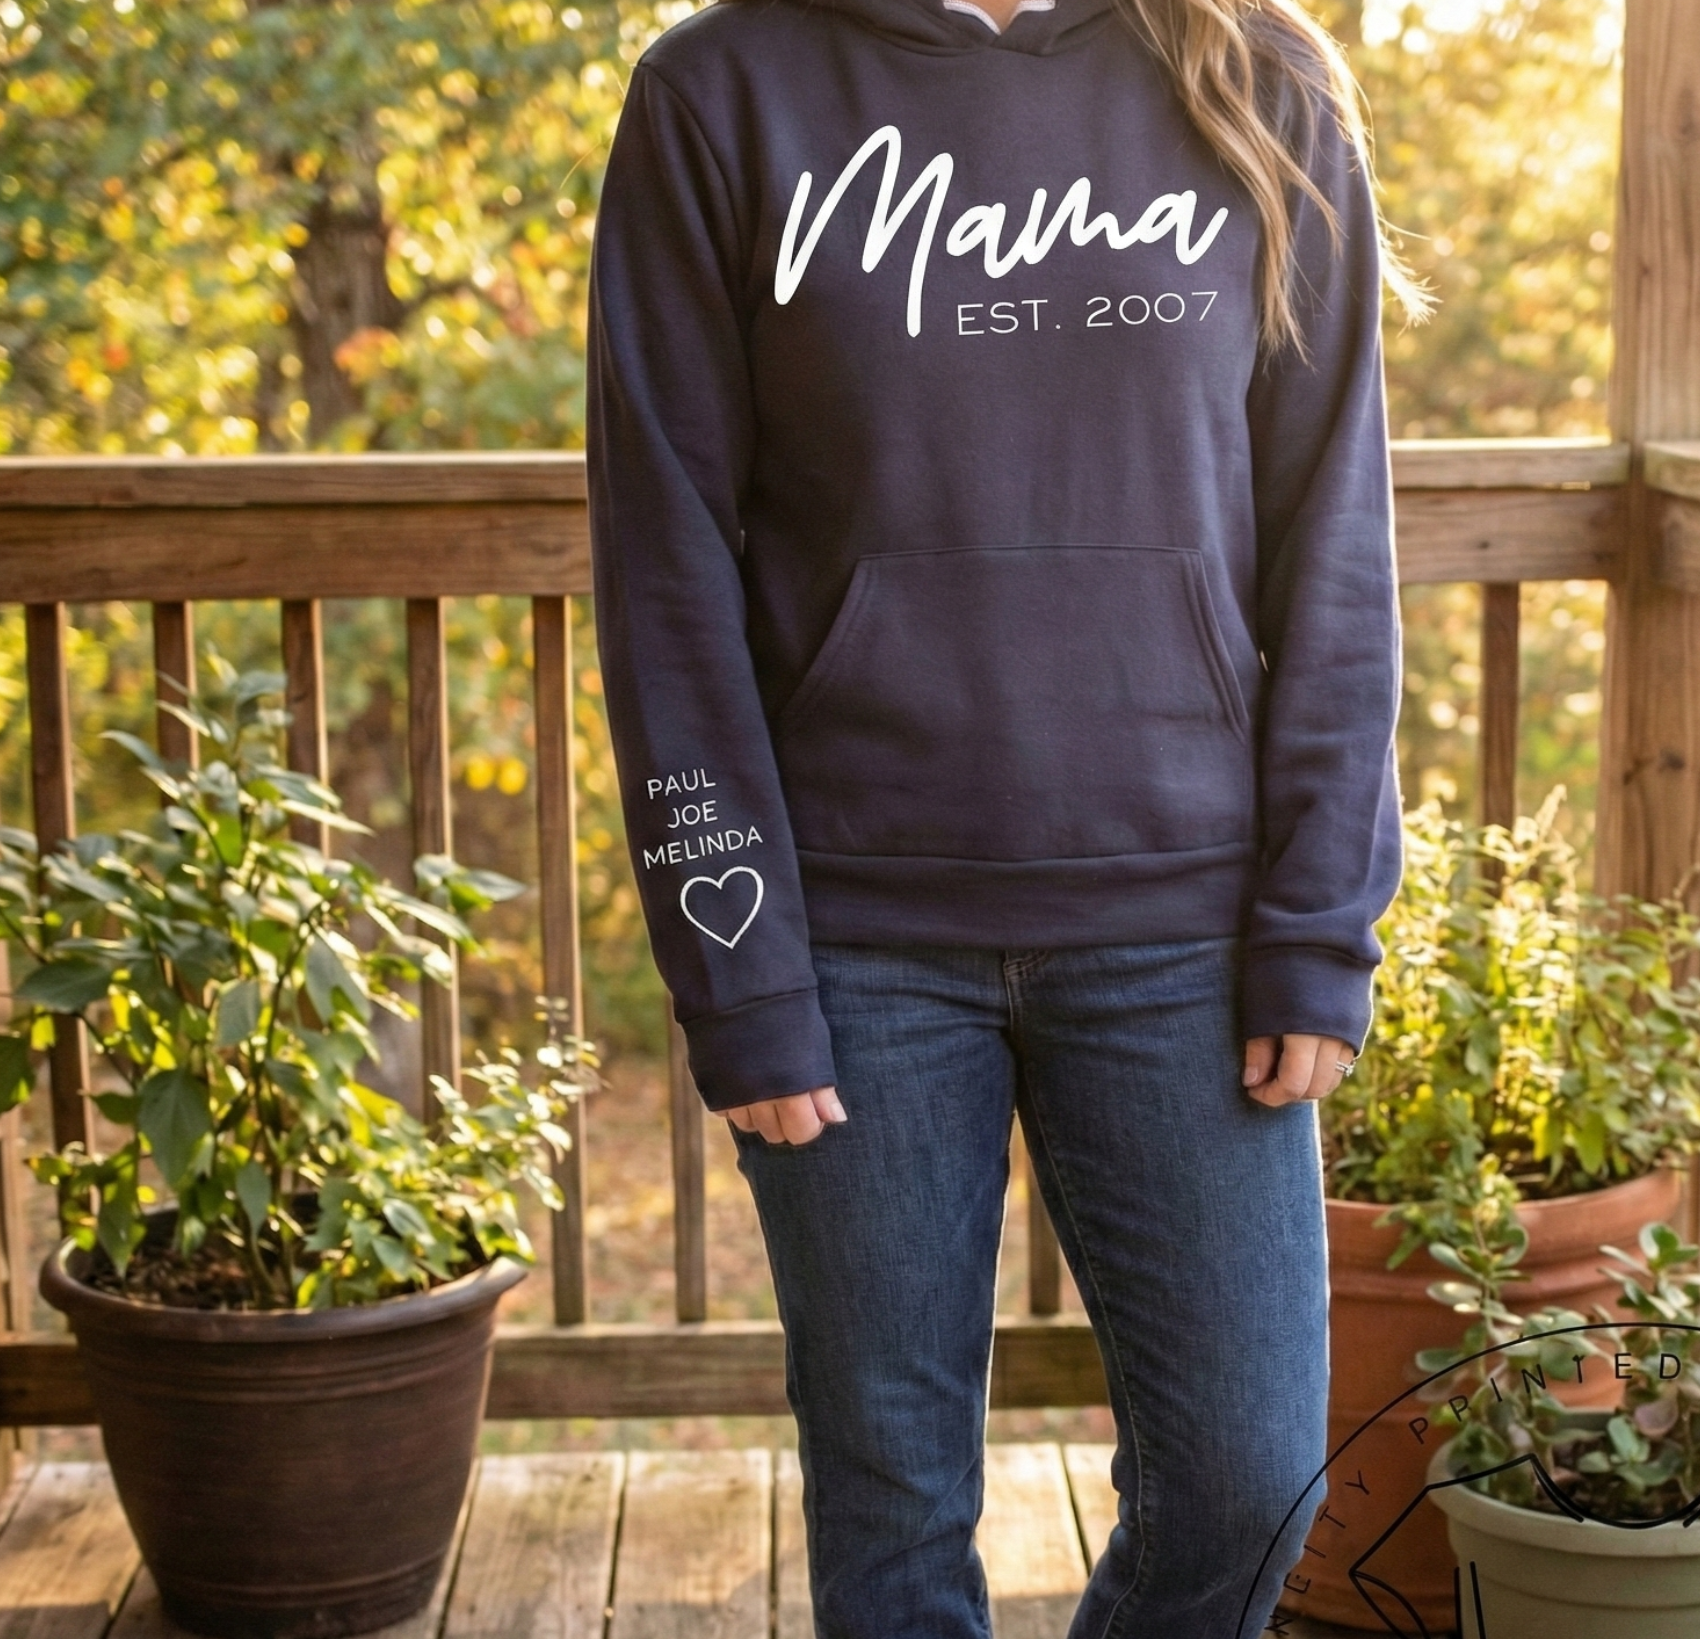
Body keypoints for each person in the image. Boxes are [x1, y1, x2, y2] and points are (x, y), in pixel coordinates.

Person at [586, 0, 1416, 1626]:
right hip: (855, 941)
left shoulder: (1260, 72)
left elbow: (1335, 528)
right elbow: (664, 555)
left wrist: (1320, 923)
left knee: (1252, 1483)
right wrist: (739, 968)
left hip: (1187, 926)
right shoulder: (721, 90)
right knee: (892, 1505)